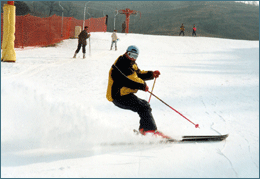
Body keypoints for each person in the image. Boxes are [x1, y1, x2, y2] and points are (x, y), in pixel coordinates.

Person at [106, 45, 170, 138]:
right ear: (126, 53)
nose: (132, 57)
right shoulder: (121, 64)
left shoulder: (131, 63)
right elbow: (132, 79)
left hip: (124, 93)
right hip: (118, 96)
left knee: (144, 105)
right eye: (131, 55)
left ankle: (144, 130)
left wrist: (151, 74)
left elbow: (138, 74)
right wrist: (143, 86)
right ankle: (150, 130)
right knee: (143, 106)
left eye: (135, 56)